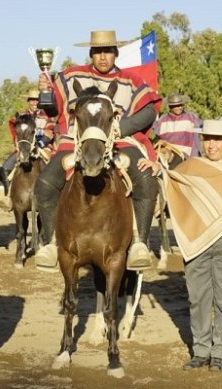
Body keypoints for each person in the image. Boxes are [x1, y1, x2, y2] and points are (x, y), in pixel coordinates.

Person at [33, 30, 161, 271]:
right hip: (74, 142)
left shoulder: (131, 80)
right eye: (98, 52)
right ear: (91, 54)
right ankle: (50, 241)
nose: (103, 57)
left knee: (145, 178)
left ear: (116, 53)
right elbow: (51, 110)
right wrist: (45, 92)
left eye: (108, 52)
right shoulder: (70, 76)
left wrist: (121, 127)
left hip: (119, 142)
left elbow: (149, 111)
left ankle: (140, 244)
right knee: (45, 183)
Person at [153, 120, 222, 372]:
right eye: (207, 139)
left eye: (218, 140)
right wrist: (156, 168)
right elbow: (170, 180)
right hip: (197, 242)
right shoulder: (189, 167)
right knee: (198, 298)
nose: (212, 144)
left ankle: (219, 351)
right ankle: (200, 350)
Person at [0, 89, 56, 211]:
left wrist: (39, 142)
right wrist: (18, 143)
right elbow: (15, 131)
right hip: (24, 148)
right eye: (32, 100)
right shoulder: (21, 116)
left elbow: (50, 134)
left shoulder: (46, 116)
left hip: (42, 147)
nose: (34, 103)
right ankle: (9, 198)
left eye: (36, 100)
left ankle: (54, 198)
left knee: (54, 170)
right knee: (5, 168)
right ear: (28, 101)